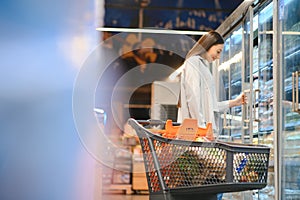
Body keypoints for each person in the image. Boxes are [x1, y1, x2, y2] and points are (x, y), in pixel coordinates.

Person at [177, 30, 246, 200]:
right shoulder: (193, 63)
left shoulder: (202, 66)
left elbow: (210, 104)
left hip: (202, 133)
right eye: (218, 51)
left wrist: (234, 102)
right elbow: (193, 98)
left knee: (209, 179)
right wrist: (202, 129)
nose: (218, 57)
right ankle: (235, 166)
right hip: (197, 134)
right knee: (218, 173)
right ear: (208, 45)